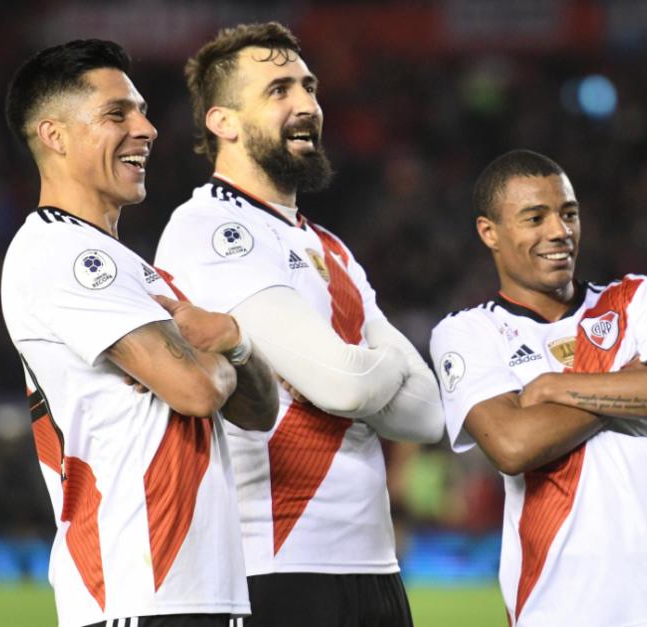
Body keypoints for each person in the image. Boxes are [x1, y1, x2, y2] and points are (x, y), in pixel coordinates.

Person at [153, 21, 444, 627]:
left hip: (376, 568)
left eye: (309, 87)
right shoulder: (212, 228)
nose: (307, 104)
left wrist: (354, 372)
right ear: (223, 121)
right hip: (275, 567)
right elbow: (347, 386)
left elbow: (426, 416)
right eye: (278, 90)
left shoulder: (331, 248)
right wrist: (376, 364)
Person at [0, 39, 278, 627]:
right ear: (54, 135)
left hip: (207, 592)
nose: (146, 129)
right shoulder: (57, 251)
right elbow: (198, 392)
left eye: (143, 111)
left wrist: (233, 338)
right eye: (116, 113)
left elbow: (259, 412)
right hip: (134, 591)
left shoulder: (140, 272)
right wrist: (211, 353)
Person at [429, 149, 647, 626]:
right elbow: (513, 445)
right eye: (535, 218)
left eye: (568, 213)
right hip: (563, 606)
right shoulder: (468, 332)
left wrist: (554, 387)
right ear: (490, 232)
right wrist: (632, 382)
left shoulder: (638, 297)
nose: (559, 231)